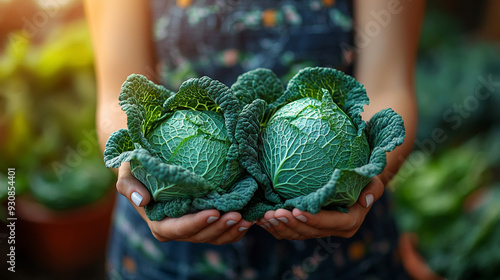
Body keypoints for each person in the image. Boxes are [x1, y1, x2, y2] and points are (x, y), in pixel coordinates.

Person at [84, 0, 424, 279]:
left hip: (338, 251)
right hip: (169, 254)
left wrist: (367, 181)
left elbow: (388, 88)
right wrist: (134, 175)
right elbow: (119, 94)